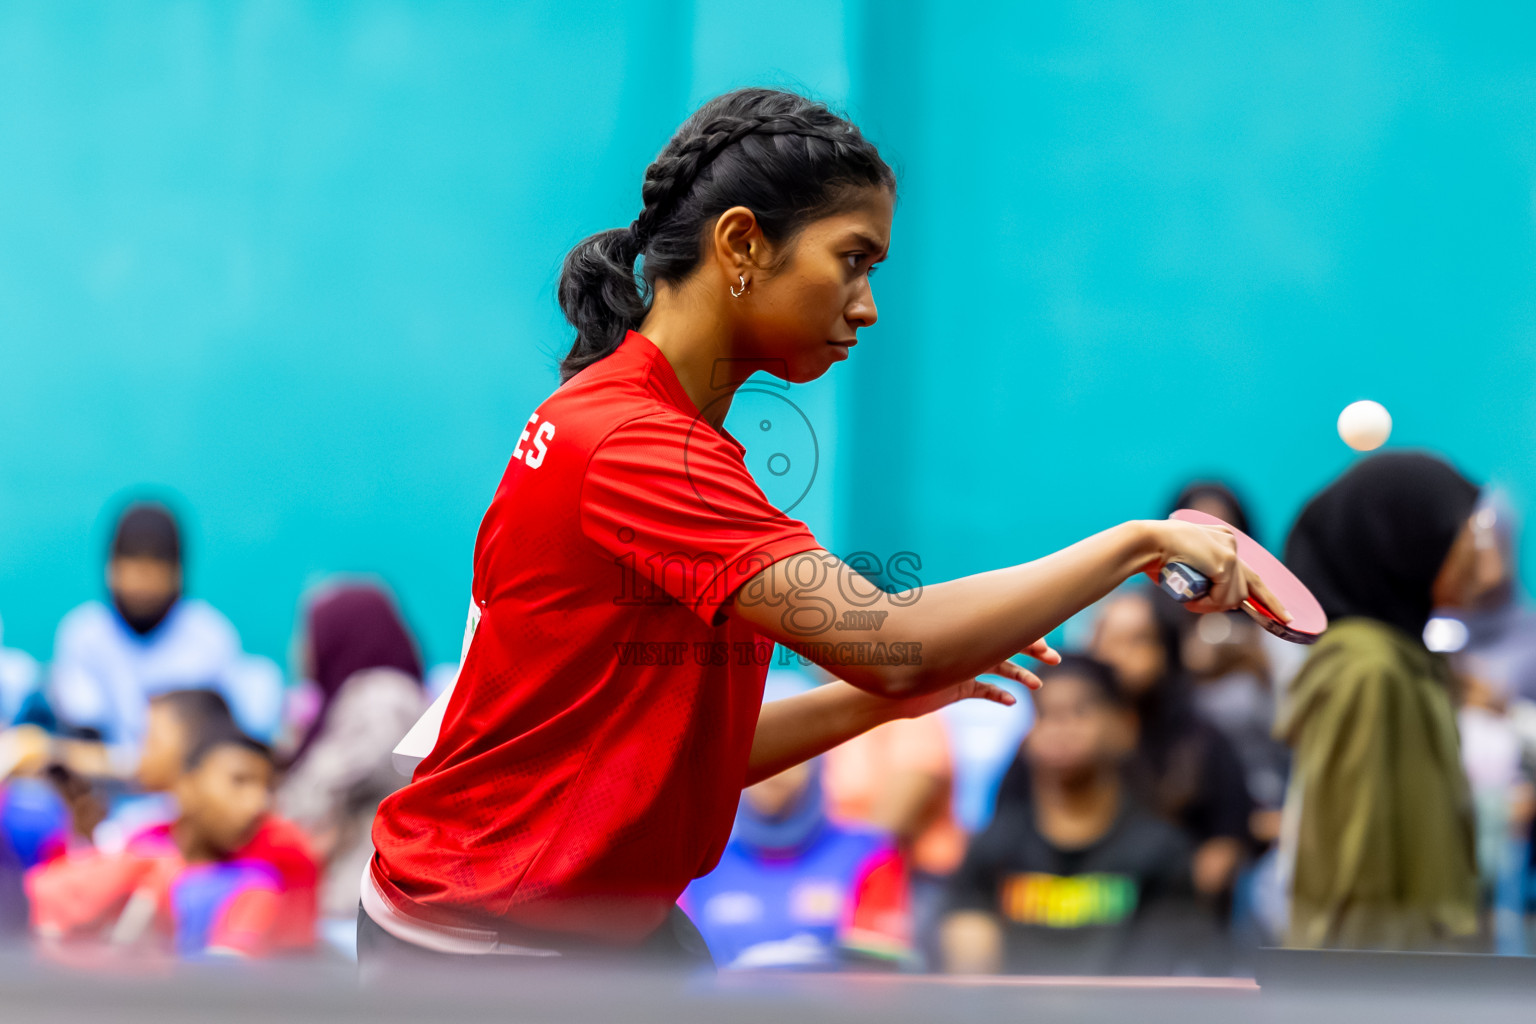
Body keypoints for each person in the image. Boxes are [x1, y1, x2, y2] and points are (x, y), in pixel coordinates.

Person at [362, 87, 1280, 977]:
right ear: (742, 244)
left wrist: (883, 702)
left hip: (571, 925)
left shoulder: (641, 426)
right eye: (854, 259)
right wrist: (1136, 544)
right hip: (492, 951)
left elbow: (669, 760)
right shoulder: (637, 447)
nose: (867, 303)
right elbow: (892, 642)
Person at [1278, 451, 1497, 952]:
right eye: (1464, 533)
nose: (1478, 558)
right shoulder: (1368, 671)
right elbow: (1355, 869)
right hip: (1384, 980)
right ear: (1406, 538)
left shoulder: (1405, 661)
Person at [940, 656, 1204, 975]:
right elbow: (968, 962)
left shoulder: (1162, 851)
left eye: (1080, 711)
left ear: (1125, 726)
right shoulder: (993, 846)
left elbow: (1158, 971)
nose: (1060, 728)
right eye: (1045, 714)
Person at [29, 730, 318, 958]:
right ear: (186, 783)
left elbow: (226, 982)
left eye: (268, 789)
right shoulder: (136, 847)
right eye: (239, 781)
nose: (258, 803)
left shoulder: (254, 888)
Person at [48, 502, 280, 763]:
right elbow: (83, 740)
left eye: (154, 570)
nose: (141, 584)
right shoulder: (83, 634)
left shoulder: (211, 635)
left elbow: (228, 745)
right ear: (111, 569)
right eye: (132, 567)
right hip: (104, 793)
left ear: (178, 573)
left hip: (188, 795)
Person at [278, 583, 427, 927]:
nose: (301, 649)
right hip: (361, 897)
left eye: (309, 634)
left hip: (356, 900)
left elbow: (313, 795)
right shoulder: (362, 696)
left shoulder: (381, 697)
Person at [681, 758, 910, 969]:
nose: (773, 775)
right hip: (718, 1011)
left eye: (789, 759)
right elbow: (672, 973)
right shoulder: (698, 864)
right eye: (760, 755)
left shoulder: (869, 855)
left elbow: (878, 976)